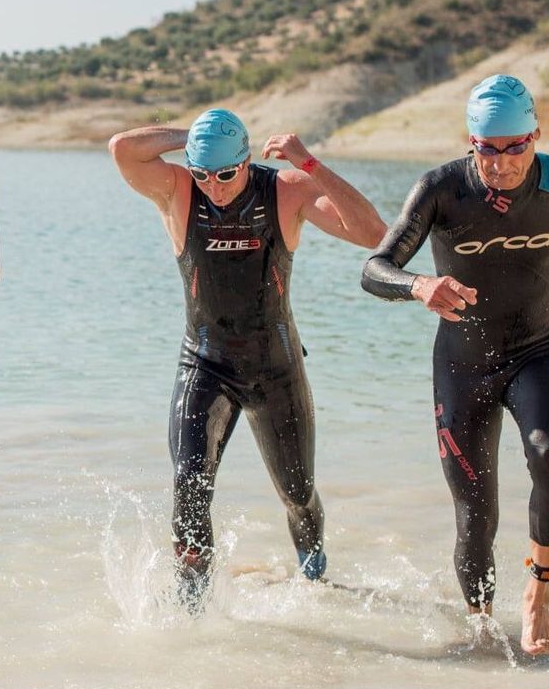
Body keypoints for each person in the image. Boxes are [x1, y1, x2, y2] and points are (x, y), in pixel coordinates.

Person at [362, 75, 549, 654]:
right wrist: (419, 285)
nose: (503, 163)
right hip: (462, 364)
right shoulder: (441, 189)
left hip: (538, 351)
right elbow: (375, 268)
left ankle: (538, 596)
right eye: (488, 148)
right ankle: (481, 630)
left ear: (535, 136)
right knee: (475, 512)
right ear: (470, 141)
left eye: (516, 147)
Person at [109, 109, 386, 609]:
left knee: (298, 494)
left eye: (226, 173)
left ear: (245, 159)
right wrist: (192, 137)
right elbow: (123, 149)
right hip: (205, 365)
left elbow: (373, 234)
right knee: (189, 484)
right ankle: (193, 610)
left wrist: (313, 164)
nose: (213, 187)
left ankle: (314, 581)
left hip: (275, 369)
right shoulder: (176, 190)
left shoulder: (286, 191)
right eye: (202, 173)